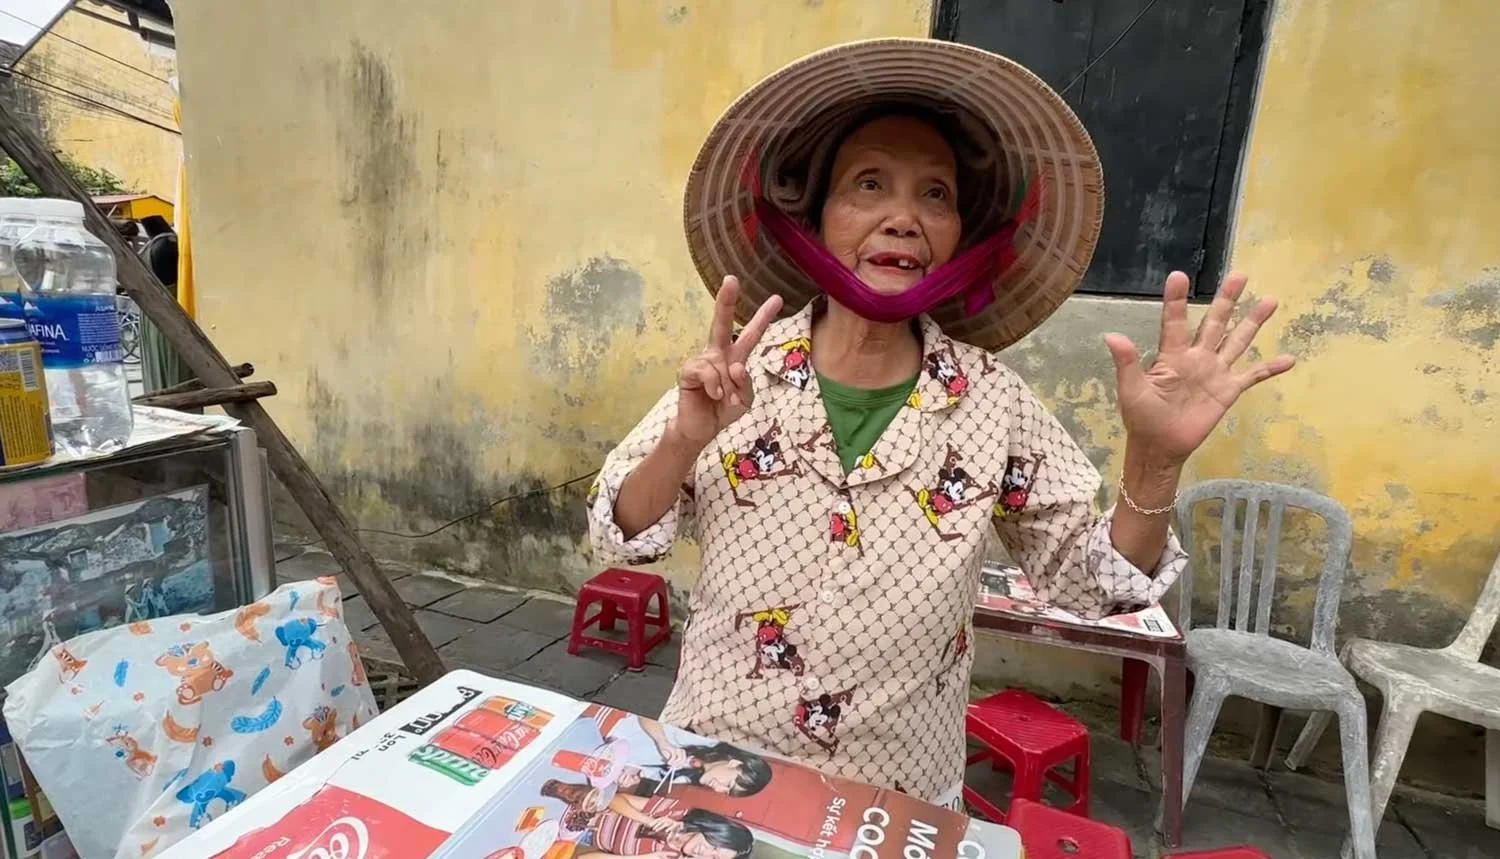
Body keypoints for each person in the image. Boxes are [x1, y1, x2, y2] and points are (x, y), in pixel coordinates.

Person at [587, 39, 1294, 808]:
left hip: (897, 799)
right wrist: (685, 439)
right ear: (815, 217)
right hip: (716, 766)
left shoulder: (993, 400)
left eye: (935, 195)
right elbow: (622, 532)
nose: (903, 218)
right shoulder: (735, 375)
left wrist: (1154, 463)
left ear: (962, 233)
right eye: (869, 184)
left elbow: (1093, 584)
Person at [544, 779, 755, 859]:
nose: (706, 853)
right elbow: (615, 799)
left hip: (570, 834)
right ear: (714, 830)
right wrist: (648, 820)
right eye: (715, 846)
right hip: (581, 800)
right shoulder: (678, 812)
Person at [602, 713, 771, 796]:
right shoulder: (705, 737)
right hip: (607, 723)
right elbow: (646, 713)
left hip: (601, 751)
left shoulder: (687, 777)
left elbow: (639, 767)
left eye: (726, 792)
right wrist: (663, 742)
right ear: (734, 763)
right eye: (728, 784)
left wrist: (631, 772)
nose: (719, 789)